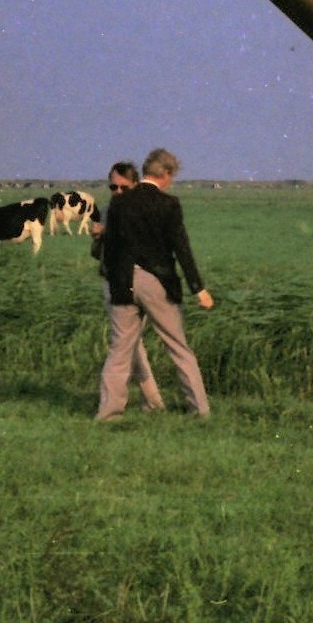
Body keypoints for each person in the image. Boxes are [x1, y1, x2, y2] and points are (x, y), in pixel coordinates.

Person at [95, 148, 214, 420]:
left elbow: (110, 249)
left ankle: (109, 413)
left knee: (120, 350)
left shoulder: (118, 204)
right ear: (167, 174)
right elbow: (181, 248)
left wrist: (115, 282)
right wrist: (198, 288)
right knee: (178, 346)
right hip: (157, 282)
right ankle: (199, 411)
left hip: (122, 281)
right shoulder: (169, 204)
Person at [90, 161, 164, 413]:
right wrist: (97, 238)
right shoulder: (106, 210)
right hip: (113, 282)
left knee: (127, 343)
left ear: (136, 185)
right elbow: (96, 254)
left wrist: (107, 234)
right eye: (113, 187)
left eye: (124, 187)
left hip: (139, 283)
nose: (118, 192)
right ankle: (152, 402)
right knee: (131, 344)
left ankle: (137, 404)